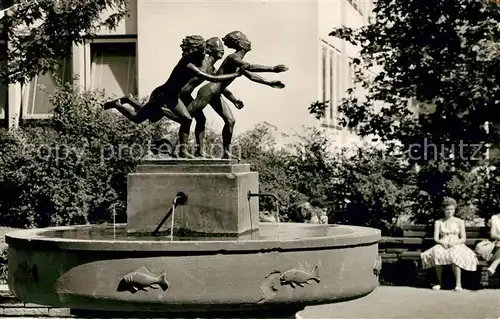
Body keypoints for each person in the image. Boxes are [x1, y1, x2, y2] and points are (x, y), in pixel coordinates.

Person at [103, 35, 244, 157]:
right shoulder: (189, 63)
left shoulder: (206, 65)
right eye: (217, 48)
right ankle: (117, 104)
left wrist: (234, 99)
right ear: (206, 49)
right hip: (163, 95)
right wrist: (237, 74)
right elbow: (208, 77)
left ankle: (196, 151)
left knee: (195, 119)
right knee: (139, 118)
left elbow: (218, 85)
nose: (222, 51)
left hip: (177, 96)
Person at [183, 30, 289, 159]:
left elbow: (250, 76)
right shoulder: (233, 58)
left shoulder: (237, 61)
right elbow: (248, 67)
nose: (248, 41)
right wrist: (272, 69)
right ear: (241, 43)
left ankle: (225, 152)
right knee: (186, 116)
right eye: (245, 38)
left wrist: (269, 83)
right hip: (208, 92)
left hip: (216, 94)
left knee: (230, 121)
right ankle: (180, 147)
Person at [420, 197, 478, 291]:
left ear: (454, 209)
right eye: (447, 209)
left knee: (455, 254)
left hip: (456, 243)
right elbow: (436, 238)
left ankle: (458, 284)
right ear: (443, 209)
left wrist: (454, 243)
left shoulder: (459, 222)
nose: (449, 211)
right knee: (437, 253)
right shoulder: (439, 222)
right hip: (443, 243)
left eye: (451, 209)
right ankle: (439, 282)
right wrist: (442, 243)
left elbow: (463, 238)